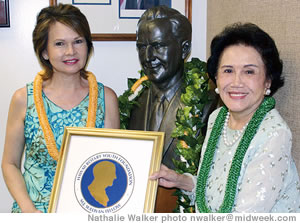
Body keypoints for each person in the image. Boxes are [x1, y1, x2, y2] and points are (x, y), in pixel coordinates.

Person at [150, 23, 300, 213]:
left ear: (268, 81)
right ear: (217, 78)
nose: (236, 82)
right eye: (228, 70)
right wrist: (181, 180)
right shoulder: (218, 118)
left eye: (249, 71)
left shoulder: (274, 134)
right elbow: (214, 191)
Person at [1, 4, 120, 213]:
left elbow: (113, 162)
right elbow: (10, 163)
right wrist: (29, 210)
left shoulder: (106, 98)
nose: (70, 51)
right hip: (34, 212)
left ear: (88, 46)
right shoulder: (23, 99)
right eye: (59, 44)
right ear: (44, 52)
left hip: (89, 211)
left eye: (78, 41)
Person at [129, 6, 217, 212]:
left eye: (158, 46)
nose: (148, 56)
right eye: (142, 47)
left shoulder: (209, 102)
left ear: (184, 49)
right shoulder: (133, 100)